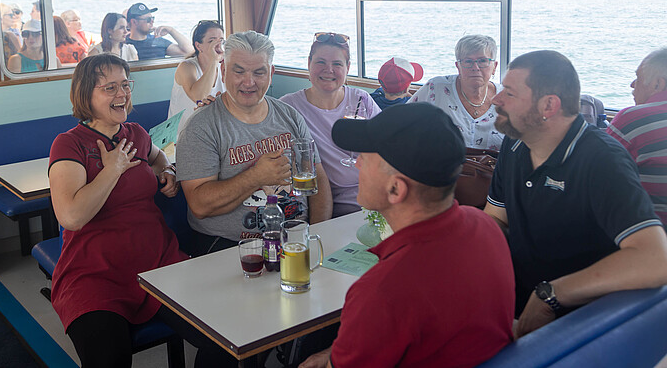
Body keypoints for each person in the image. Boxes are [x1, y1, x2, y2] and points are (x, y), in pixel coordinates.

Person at [49, 54, 232, 368]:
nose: (122, 94)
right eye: (110, 88)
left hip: (159, 262)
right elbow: (71, 217)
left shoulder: (136, 134)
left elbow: (159, 158)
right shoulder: (69, 144)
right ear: (86, 95)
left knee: (226, 338)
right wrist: (113, 169)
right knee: (109, 359)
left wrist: (167, 172)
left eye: (125, 85)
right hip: (95, 273)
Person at [299, 103, 515, 368]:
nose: (357, 163)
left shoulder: (382, 292)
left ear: (395, 189)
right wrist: (336, 353)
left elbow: (392, 307)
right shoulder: (487, 228)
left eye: (366, 157)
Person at [485, 50, 667, 338]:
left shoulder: (602, 160)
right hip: (516, 306)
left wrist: (550, 295)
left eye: (509, 92)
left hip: (581, 325)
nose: (496, 99)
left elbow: (655, 259)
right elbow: (496, 219)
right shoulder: (515, 143)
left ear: (548, 105)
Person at [177, 30, 333, 255]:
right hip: (230, 247)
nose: (249, 82)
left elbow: (318, 179)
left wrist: (317, 237)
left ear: (271, 73)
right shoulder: (200, 126)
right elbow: (199, 206)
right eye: (239, 71)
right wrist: (257, 176)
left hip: (296, 241)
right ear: (223, 71)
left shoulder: (290, 115)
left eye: (259, 72)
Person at [280, 32, 381, 217]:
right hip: (335, 209)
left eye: (337, 64)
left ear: (348, 67)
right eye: (321, 62)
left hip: (377, 199)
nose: (329, 70)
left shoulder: (361, 99)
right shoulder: (288, 106)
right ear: (309, 63)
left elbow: (387, 146)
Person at [408, 34, 503, 151]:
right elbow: (402, 122)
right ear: (458, 66)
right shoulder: (436, 88)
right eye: (468, 61)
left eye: (483, 61)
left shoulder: (506, 97)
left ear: (494, 66)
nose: (475, 67)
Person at [607, 47, 667, 226]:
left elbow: (594, 170)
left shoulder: (633, 119)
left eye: (638, 78)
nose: (632, 85)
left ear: (658, 84)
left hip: (652, 233)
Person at [168, 20, 225, 137]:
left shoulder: (225, 67)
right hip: (181, 136)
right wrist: (214, 61)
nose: (218, 45)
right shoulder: (186, 67)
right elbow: (199, 98)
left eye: (221, 41)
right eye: (212, 41)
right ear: (198, 46)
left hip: (210, 133)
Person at [124, 2, 192, 59]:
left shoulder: (158, 41)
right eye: (148, 19)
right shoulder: (124, 44)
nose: (152, 22)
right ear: (134, 22)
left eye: (152, 18)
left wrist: (171, 30)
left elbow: (189, 52)